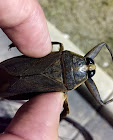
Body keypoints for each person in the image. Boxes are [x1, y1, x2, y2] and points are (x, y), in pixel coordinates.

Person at [0, 0, 65, 139]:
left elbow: (58, 45)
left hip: (10, 68)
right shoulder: (63, 88)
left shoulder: (61, 53)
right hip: (10, 88)